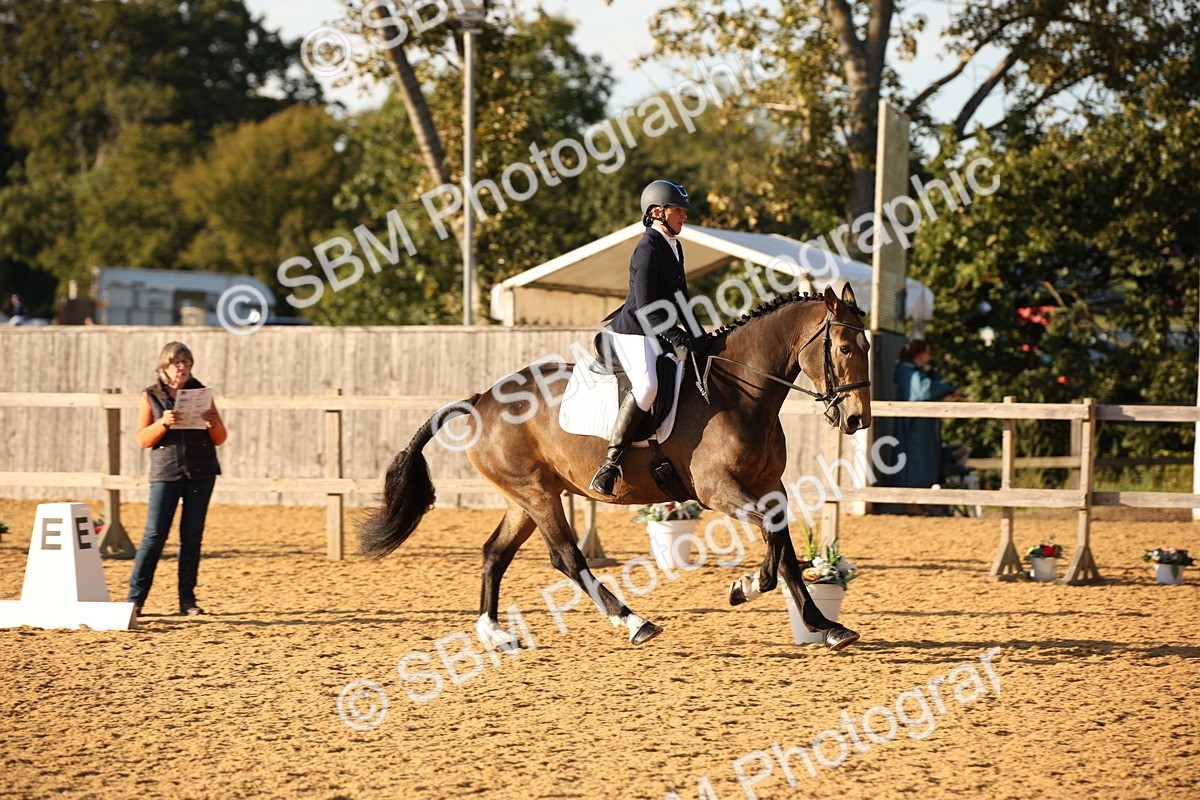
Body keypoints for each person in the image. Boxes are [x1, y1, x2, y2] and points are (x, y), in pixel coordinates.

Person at [589, 179, 703, 496]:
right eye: (678, 210)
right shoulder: (647, 250)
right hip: (633, 330)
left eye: (682, 210)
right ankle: (610, 465)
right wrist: (678, 337)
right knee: (648, 385)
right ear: (657, 212)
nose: (683, 216)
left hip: (656, 328)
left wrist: (700, 336)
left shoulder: (674, 246)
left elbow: (681, 298)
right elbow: (646, 307)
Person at [127, 342, 227, 616]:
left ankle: (187, 600)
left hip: (201, 472)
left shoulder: (201, 393)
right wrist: (163, 423)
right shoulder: (150, 395)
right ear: (165, 366)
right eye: (177, 363)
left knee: (192, 537)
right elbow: (142, 439)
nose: (183, 368)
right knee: (154, 536)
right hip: (166, 472)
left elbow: (220, 438)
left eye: (187, 363)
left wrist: (213, 423)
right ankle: (134, 601)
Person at [890, 339, 962, 514]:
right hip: (915, 426)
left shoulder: (912, 371)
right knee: (917, 462)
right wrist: (948, 387)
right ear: (920, 353)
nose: (929, 356)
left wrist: (935, 376)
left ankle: (920, 503)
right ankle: (913, 503)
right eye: (927, 352)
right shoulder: (910, 373)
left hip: (917, 424)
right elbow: (924, 390)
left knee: (921, 461)